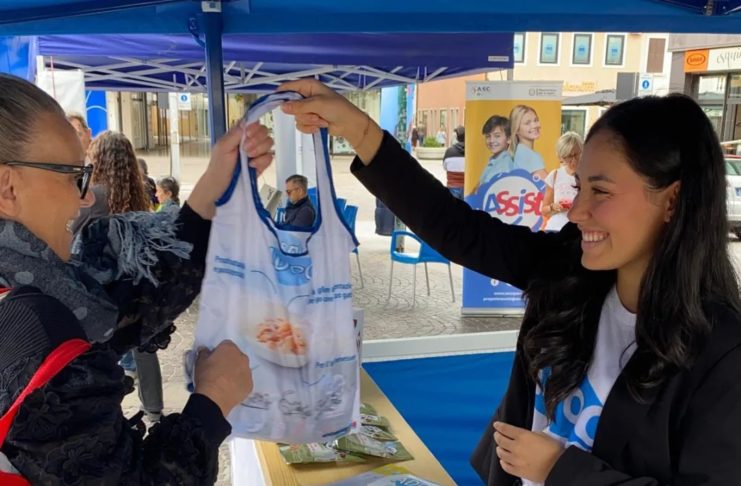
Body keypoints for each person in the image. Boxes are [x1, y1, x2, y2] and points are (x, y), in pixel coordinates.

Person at [279, 79, 741, 485]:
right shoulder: (570, 269)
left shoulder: (721, 355)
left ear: (673, 201)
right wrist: (359, 130)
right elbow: (460, 230)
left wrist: (561, 470)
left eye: (600, 191)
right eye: (578, 187)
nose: (577, 212)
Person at [0, 73, 273, 483]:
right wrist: (212, 400)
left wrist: (214, 183)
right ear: (8, 187)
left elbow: (120, 308)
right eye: (72, 176)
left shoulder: (38, 287)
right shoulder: (34, 334)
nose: (86, 196)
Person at [74, 131, 165, 423]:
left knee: (101, 358)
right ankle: (154, 409)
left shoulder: (91, 197)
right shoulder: (138, 195)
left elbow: (69, 235)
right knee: (144, 349)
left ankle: (109, 416)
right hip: (134, 287)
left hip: (98, 289)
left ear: (99, 159)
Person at [540, 132, 583, 232]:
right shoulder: (555, 175)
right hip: (554, 229)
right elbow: (544, 211)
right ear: (561, 157)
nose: (573, 160)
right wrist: (554, 207)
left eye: (576, 154)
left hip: (578, 232)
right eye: (568, 156)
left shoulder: (587, 176)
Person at [509, 105, 548, 181]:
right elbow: (549, 186)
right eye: (527, 123)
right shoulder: (526, 154)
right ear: (516, 129)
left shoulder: (521, 151)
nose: (534, 125)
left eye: (536, 120)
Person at [477, 115, 513, 189]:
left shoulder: (505, 164)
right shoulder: (494, 161)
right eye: (488, 136)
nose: (491, 140)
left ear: (509, 139)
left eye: (497, 136)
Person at [442, 125, 465, 199]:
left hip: (453, 186)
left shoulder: (449, 151)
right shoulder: (471, 153)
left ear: (457, 137)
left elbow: (445, 167)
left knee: (453, 209)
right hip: (467, 186)